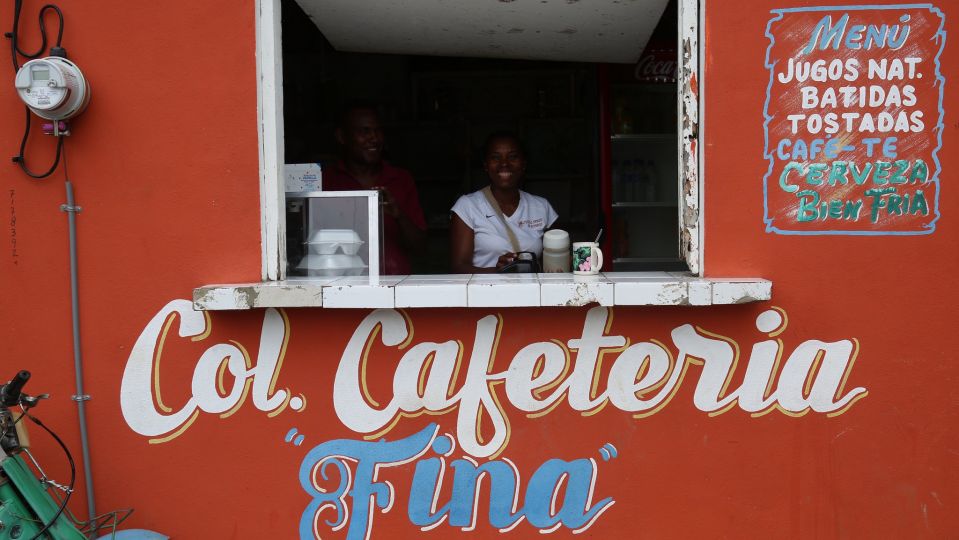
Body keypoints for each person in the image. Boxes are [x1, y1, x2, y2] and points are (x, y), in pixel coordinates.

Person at [323, 103, 427, 275]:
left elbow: (421, 248)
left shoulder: (401, 179)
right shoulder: (327, 181)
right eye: (364, 131)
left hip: (394, 287)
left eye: (378, 131)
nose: (374, 138)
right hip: (339, 286)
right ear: (342, 137)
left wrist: (398, 215)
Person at [450, 131, 558, 273]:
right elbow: (459, 268)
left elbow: (555, 259)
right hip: (485, 293)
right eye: (495, 158)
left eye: (513, 157)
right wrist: (499, 272)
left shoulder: (541, 207)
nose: (504, 163)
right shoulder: (467, 207)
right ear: (486, 165)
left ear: (523, 164)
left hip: (532, 293)